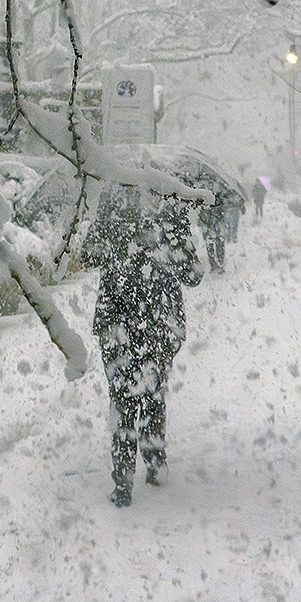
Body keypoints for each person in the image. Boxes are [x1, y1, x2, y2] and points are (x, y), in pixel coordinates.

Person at [82, 182, 202, 507]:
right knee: (152, 395)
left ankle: (123, 480)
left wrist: (118, 248)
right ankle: (154, 460)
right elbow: (193, 273)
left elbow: (88, 253)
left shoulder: (113, 198)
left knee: (122, 398)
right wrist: (168, 250)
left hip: (117, 320)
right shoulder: (171, 204)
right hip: (158, 321)